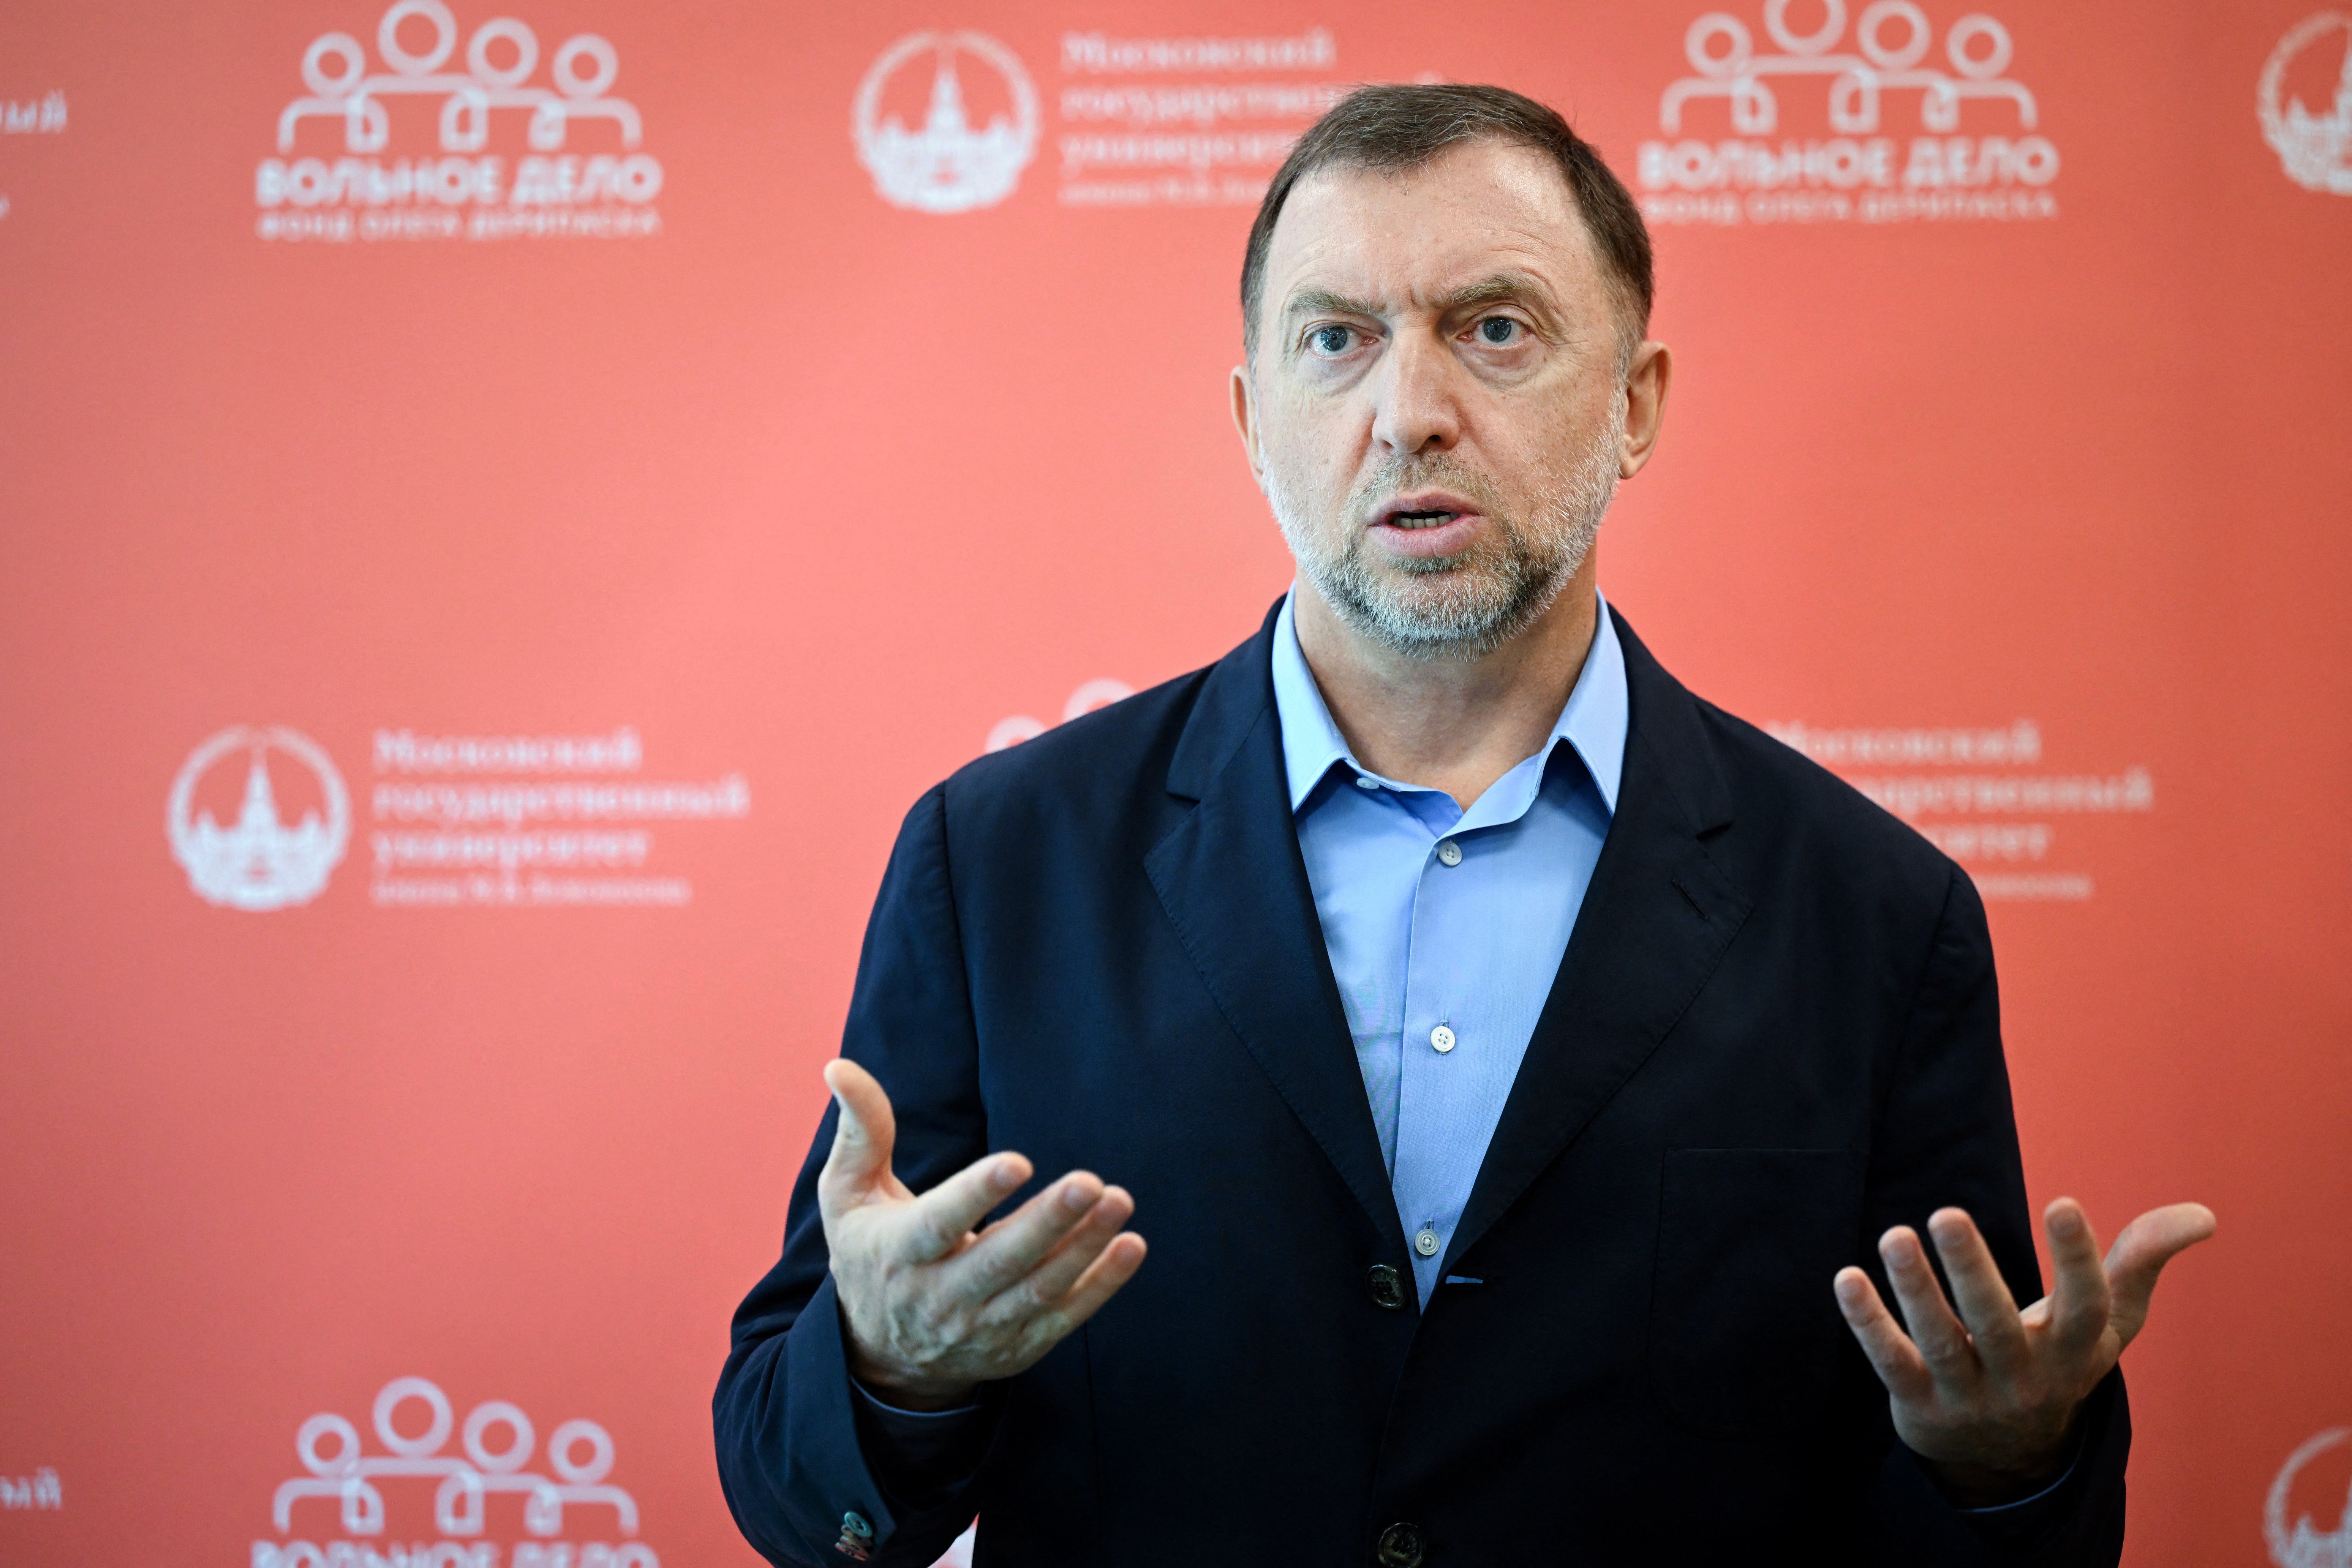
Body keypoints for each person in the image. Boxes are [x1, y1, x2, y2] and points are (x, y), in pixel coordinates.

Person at [713, 84, 2213, 1567]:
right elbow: (792, 1487)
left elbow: (1957, 1478)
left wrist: (2007, 1466)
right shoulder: (1001, 864)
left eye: (1495, 329)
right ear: (1254, 421)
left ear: (1635, 405)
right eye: (1336, 340)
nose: (1410, 412)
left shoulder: (1877, 915)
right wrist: (896, 1370)